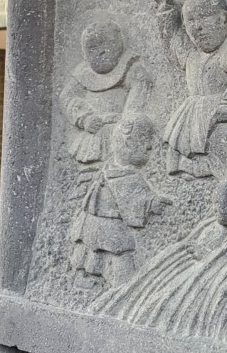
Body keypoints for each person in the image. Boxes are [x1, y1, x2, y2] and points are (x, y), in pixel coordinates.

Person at [155, 0, 227, 179]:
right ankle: (195, 168)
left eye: (205, 17)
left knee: (226, 145)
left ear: (223, 19)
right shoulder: (192, 55)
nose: (197, 27)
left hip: (219, 114)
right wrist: (167, 13)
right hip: (193, 115)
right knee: (187, 151)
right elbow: (173, 42)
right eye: (190, 20)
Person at [70, 115, 171, 287]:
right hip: (108, 226)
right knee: (118, 255)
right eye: (145, 140)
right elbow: (134, 203)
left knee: (91, 250)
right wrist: (152, 204)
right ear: (128, 143)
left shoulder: (110, 168)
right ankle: (122, 286)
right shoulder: (125, 176)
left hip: (91, 223)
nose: (149, 147)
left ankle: (86, 277)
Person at [60, 19, 148, 163]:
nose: (100, 52)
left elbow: (135, 105)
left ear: (118, 43)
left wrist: (125, 125)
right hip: (91, 136)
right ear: (84, 53)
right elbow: (66, 97)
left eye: (106, 44)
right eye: (92, 48)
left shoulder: (132, 70)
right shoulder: (83, 73)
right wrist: (84, 118)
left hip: (120, 134)